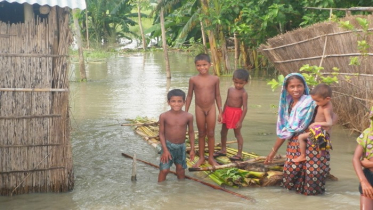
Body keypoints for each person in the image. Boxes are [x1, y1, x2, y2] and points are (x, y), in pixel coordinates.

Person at [264, 73, 334, 195]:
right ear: (286, 88)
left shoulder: (312, 102)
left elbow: (333, 116)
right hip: (294, 145)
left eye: (299, 86)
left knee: (313, 180)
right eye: (292, 86)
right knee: (290, 179)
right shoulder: (288, 106)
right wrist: (273, 152)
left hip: (313, 144)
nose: (296, 89)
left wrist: (323, 131)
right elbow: (286, 131)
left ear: (304, 86)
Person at [185, 53, 223, 167]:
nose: (202, 68)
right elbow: (189, 96)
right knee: (201, 133)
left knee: (210, 133)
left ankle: (211, 158)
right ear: (195, 66)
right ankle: (201, 157)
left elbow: (217, 95)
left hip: (211, 108)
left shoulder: (215, 79)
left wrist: (220, 111)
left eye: (204, 65)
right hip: (199, 108)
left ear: (210, 65)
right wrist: (185, 111)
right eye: (199, 65)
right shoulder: (193, 79)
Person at [158, 89, 195, 182]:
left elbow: (191, 132)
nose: (176, 104)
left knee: (181, 170)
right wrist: (165, 150)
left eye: (179, 101)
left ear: (184, 102)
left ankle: (181, 192)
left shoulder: (188, 116)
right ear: (168, 102)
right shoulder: (164, 116)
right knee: (165, 170)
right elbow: (161, 133)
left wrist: (192, 149)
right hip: (168, 146)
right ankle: (160, 190)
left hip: (181, 147)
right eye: (173, 101)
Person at [214, 69, 249, 161]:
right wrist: (221, 113)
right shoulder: (230, 89)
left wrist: (240, 121)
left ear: (246, 82)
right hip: (227, 112)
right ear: (233, 79)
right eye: (236, 82)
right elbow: (227, 101)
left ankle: (239, 154)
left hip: (236, 114)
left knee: (237, 134)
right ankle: (223, 149)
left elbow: (245, 108)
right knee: (223, 132)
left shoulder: (244, 93)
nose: (238, 85)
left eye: (241, 83)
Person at [292, 83, 333, 163]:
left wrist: (315, 124)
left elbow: (329, 123)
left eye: (318, 101)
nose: (316, 103)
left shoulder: (326, 108)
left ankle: (302, 155)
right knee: (321, 152)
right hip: (321, 131)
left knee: (301, 137)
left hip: (320, 131)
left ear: (327, 99)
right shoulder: (325, 104)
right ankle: (322, 155)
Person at [353, 106, 373, 209]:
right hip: (369, 178)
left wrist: (370, 164)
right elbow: (355, 158)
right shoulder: (367, 134)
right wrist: (363, 181)